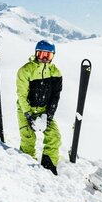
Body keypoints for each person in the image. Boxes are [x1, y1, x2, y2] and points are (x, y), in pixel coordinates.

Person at [16, 40, 63, 176]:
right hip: (26, 109)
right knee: (28, 139)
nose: (44, 58)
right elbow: (22, 95)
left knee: (55, 136)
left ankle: (49, 168)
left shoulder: (56, 73)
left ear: (52, 56)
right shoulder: (25, 70)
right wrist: (28, 115)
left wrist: (48, 116)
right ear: (36, 53)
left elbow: (55, 97)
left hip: (43, 110)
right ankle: (26, 168)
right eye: (42, 54)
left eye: (48, 55)